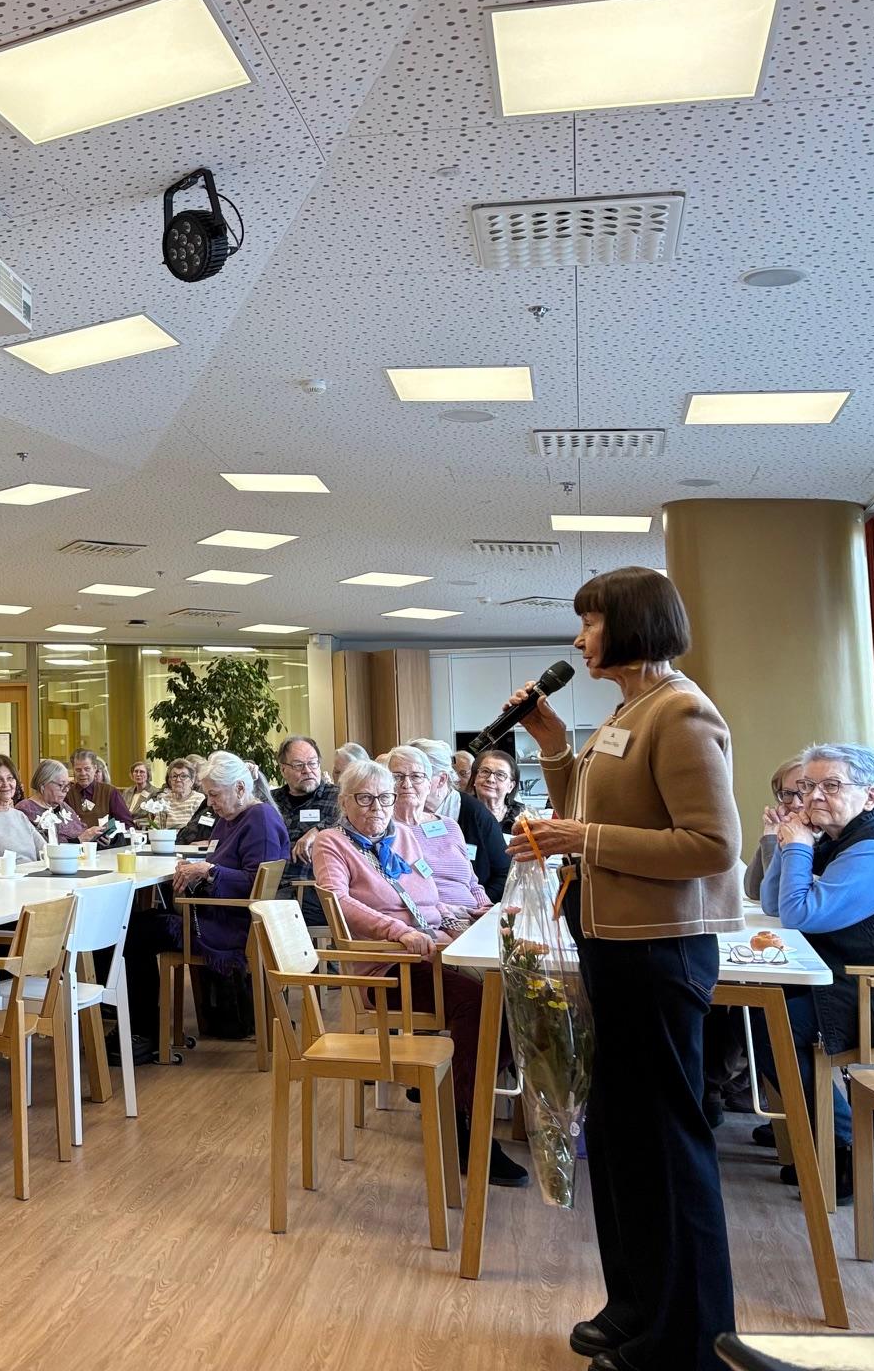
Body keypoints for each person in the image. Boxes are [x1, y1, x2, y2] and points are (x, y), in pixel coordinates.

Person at [507, 565, 740, 1371]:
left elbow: (711, 846)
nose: (578, 639)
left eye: (591, 622)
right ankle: (637, 1307)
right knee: (618, 1138)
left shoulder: (680, 711)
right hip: (613, 943)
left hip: (659, 951)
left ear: (633, 623)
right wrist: (552, 747)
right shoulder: (625, 711)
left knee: (666, 1144)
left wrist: (581, 840)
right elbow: (583, 814)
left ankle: (689, 1341)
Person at [311, 760, 525, 1186]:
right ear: (344, 801)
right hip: (389, 967)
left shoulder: (403, 836)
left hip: (432, 953)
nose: (377, 808)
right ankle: (462, 1128)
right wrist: (401, 932)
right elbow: (338, 902)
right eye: (364, 798)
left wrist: (465, 914)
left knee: (510, 1001)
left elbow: (426, 895)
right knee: (481, 1007)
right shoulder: (332, 843)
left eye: (384, 798)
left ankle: (453, 1101)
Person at [754, 743, 874, 1198]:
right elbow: (773, 903)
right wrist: (786, 842)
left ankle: (852, 1152)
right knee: (760, 1012)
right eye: (808, 786)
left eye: (831, 785)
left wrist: (797, 847)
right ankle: (836, 1145)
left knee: (775, 1022)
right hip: (854, 983)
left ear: (871, 796)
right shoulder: (839, 839)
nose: (813, 796)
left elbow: (800, 912)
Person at [117, 752, 289, 1065]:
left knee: (131, 934)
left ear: (239, 788)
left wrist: (208, 871)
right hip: (218, 913)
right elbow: (219, 860)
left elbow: (254, 882)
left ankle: (144, 1033)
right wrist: (199, 868)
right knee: (135, 924)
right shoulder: (233, 818)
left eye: (214, 794)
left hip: (233, 924)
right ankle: (140, 1029)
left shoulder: (260, 820)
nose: (209, 802)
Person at [410, 737, 511, 902]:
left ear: (441, 779)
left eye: (417, 776)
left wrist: (476, 906)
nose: (407, 784)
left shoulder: (474, 813)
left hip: (474, 906)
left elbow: (504, 874)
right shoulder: (401, 813)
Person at [270, 736, 337, 918]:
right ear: (283, 769)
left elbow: (351, 824)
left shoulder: (337, 797)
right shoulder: (271, 801)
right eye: (299, 765)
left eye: (313, 763)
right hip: (270, 885)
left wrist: (319, 831)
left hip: (310, 888)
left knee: (272, 915)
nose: (307, 770)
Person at [746, 755, 807, 900]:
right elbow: (754, 890)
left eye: (803, 793)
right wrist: (771, 833)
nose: (795, 804)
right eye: (787, 794)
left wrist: (772, 839)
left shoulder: (826, 835)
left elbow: (776, 895)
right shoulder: (791, 829)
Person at [17, 759, 89, 843]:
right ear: (43, 785)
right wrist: (78, 841)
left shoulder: (64, 807)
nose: (66, 790)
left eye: (67, 785)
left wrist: (94, 837)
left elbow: (82, 831)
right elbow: (41, 844)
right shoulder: (25, 810)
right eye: (61, 785)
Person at [68, 749, 133, 834]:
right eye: (78, 770)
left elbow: (126, 824)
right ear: (73, 770)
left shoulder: (109, 792)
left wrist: (108, 834)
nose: (83, 773)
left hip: (106, 841)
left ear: (95, 768)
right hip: (75, 841)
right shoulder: (67, 794)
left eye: (87, 769)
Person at [138, 758, 207, 831]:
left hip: (189, 837)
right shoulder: (165, 799)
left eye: (183, 776)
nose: (178, 780)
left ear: (192, 780)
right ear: (170, 781)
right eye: (174, 776)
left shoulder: (198, 799)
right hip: (167, 837)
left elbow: (200, 829)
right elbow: (157, 828)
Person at [469, 749, 528, 832]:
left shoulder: (522, 816)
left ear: (511, 786)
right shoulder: (460, 810)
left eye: (500, 775)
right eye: (485, 771)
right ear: (474, 778)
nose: (491, 779)